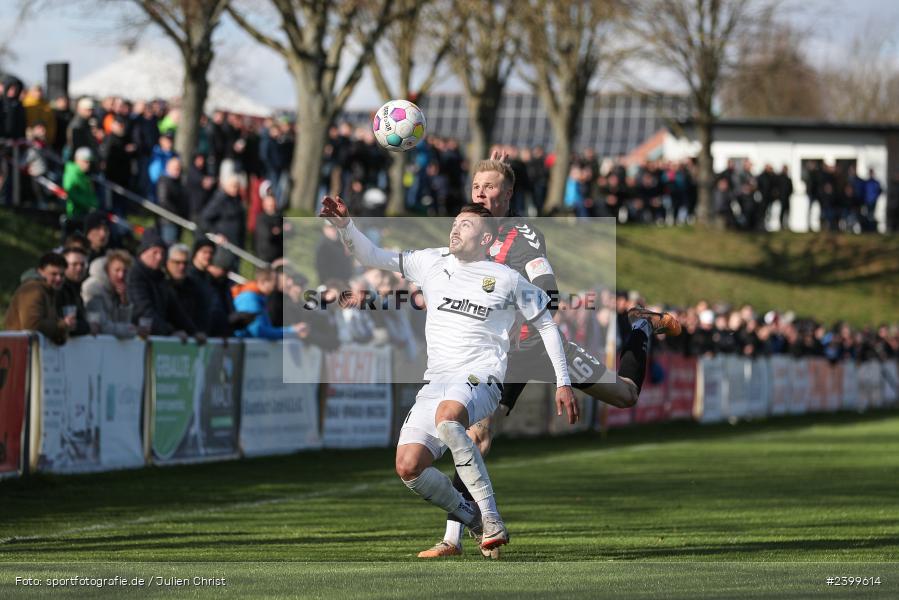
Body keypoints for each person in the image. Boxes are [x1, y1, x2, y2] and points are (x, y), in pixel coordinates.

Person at [423, 154, 681, 559]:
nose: (482, 194)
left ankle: (641, 325)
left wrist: (556, 367)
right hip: (498, 357)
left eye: (491, 188)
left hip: (537, 346)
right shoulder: (465, 233)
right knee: (476, 435)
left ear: (508, 195)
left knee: (626, 395)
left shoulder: (522, 236)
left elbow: (549, 292)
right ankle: (453, 539)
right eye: (477, 187)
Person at [320, 198, 577, 556]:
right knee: (408, 466)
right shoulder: (430, 261)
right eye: (455, 222)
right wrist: (347, 226)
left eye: (467, 225)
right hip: (436, 382)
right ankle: (470, 518)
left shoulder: (507, 278)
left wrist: (563, 381)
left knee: (448, 418)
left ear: (486, 240)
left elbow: (547, 326)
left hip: (481, 377)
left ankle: (491, 519)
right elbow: (372, 257)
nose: (456, 228)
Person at [127, 229, 203, 342]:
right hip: (139, 341)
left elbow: (175, 310)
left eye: (162, 253)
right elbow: (143, 310)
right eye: (155, 252)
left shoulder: (160, 278)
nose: (159, 257)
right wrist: (169, 332)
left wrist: (193, 332)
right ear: (144, 252)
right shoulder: (134, 275)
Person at [4, 253, 74, 344]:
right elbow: (32, 325)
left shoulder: (48, 291)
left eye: (62, 275)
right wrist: (63, 325)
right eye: (54, 274)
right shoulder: (33, 289)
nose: (58, 279)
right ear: (40, 271)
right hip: (18, 350)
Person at [232, 267, 307, 340]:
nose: (276, 283)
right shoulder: (249, 298)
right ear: (264, 282)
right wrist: (291, 330)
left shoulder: (259, 297)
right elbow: (259, 332)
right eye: (274, 280)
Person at [82, 249, 137, 338]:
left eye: (125, 271)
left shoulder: (120, 289)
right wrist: (130, 330)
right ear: (107, 270)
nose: (121, 275)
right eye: (117, 270)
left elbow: (123, 323)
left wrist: (124, 302)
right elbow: (102, 327)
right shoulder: (93, 287)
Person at [57, 246, 90, 336]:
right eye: (74, 264)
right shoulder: (58, 289)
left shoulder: (77, 289)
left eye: (82, 264)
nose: (79, 268)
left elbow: (82, 323)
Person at [157, 157, 188, 245]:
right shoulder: (164, 181)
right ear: (168, 168)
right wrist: (177, 214)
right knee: (169, 245)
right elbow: (163, 201)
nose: (177, 171)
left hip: (178, 220)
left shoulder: (179, 183)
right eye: (175, 168)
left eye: (179, 168)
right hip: (168, 220)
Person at [63, 147, 98, 221]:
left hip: (86, 213)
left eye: (89, 162)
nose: (88, 164)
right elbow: (71, 193)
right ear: (77, 160)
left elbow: (90, 193)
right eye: (86, 161)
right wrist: (89, 205)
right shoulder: (71, 173)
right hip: (76, 214)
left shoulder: (84, 175)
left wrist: (94, 205)